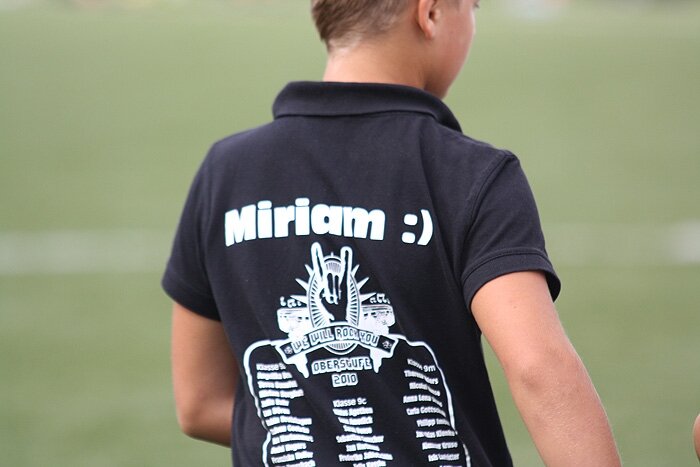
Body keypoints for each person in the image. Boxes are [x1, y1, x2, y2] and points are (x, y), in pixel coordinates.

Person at [163, 0, 621, 465]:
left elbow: (198, 403)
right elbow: (539, 370)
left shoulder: (225, 171)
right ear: (431, 13)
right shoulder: (471, 174)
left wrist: (330, 437)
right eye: (472, 6)